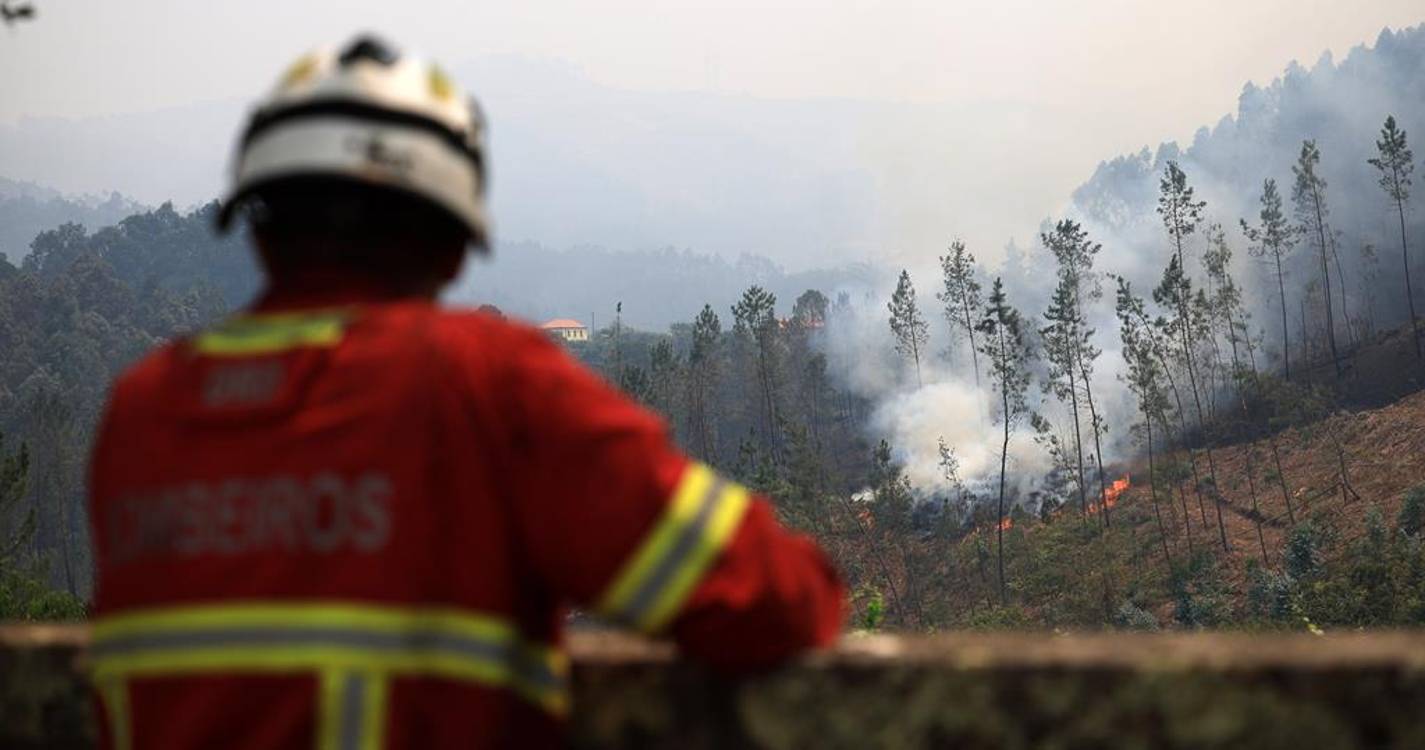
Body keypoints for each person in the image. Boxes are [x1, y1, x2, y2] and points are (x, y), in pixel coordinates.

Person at [87, 35, 844, 750]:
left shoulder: (142, 409)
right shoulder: (484, 382)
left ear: (257, 229)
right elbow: (770, 600)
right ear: (452, 243)